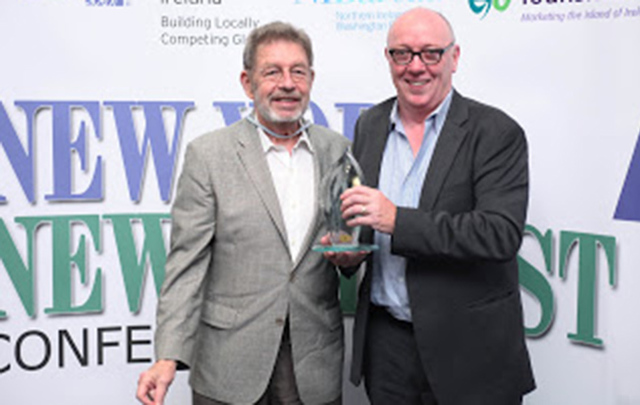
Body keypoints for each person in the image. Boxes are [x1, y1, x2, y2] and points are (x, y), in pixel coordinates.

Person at [326, 7, 536, 405]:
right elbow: (366, 224)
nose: (416, 67)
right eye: (402, 54)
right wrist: (349, 255)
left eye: (430, 53)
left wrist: (396, 220)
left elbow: (500, 234)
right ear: (388, 59)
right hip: (387, 348)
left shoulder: (496, 132)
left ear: (454, 58)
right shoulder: (369, 124)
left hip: (470, 351)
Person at [136, 21, 350, 405]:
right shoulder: (209, 155)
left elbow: (351, 245)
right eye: (272, 72)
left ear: (311, 79)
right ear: (247, 82)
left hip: (313, 363)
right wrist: (167, 356)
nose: (287, 83)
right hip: (228, 365)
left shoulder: (337, 150)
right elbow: (187, 266)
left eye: (297, 71)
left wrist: (350, 259)